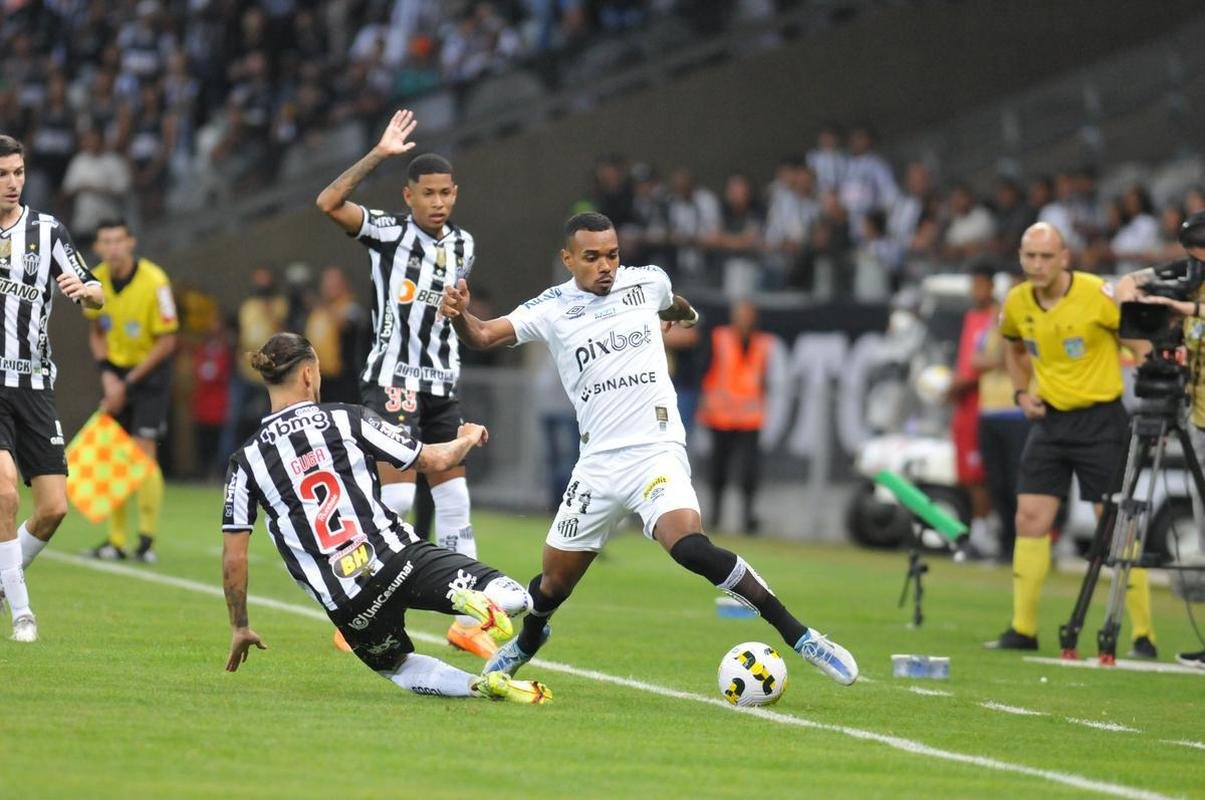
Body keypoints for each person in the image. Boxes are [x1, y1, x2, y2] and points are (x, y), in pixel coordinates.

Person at [440, 211, 858, 686]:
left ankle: (801, 635)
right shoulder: (551, 307)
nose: (605, 266)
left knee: (690, 547)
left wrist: (685, 314)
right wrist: (460, 316)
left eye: (612, 255)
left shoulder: (646, 282)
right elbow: (483, 335)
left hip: (655, 451)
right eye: (592, 257)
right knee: (552, 584)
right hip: (597, 465)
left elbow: (671, 301)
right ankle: (531, 638)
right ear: (568, 258)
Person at [221, 333, 550, 704]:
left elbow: (234, 556)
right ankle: (465, 599)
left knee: (397, 666)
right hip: (396, 559)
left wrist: (240, 626)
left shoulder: (245, 461)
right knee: (516, 598)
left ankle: (476, 687)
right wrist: (468, 437)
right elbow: (435, 460)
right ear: (309, 374)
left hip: (348, 601)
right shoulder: (346, 419)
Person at [316, 110, 492, 657]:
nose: (438, 202)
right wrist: (378, 153)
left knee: (456, 498)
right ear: (408, 196)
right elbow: (327, 203)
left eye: (446, 193)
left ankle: (468, 618)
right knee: (394, 495)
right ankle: (364, 611)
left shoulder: (463, 244)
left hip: (443, 381)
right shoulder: (389, 232)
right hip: (393, 378)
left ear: (455, 194)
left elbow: (455, 309)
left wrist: (461, 310)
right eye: (428, 193)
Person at [987, 222, 1156, 656]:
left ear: (1065, 257)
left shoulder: (1096, 295)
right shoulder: (1018, 300)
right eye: (1030, 256)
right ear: (1021, 258)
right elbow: (1014, 347)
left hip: (1101, 420)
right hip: (1051, 422)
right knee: (1030, 519)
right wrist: (1022, 392)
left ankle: (1142, 634)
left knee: (1115, 526)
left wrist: (1150, 374)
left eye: (1046, 256)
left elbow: (1138, 344)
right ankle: (1022, 628)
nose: (1037, 264)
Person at [0, 135, 105, 643]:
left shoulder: (47, 231)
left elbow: (94, 291)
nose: (13, 182)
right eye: (3, 174)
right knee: (2, 492)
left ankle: (3, 577)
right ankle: (22, 611)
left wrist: (87, 294)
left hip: (36, 383)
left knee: (54, 508)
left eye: (18, 172)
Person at [1114, 209, 1205, 669]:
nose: (1196, 262)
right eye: (1191, 254)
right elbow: (1126, 282)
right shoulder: (1190, 274)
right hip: (1197, 415)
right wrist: (1140, 291)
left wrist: (1183, 307)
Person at [84, 219, 178, 563]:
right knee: (116, 454)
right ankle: (117, 540)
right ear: (97, 247)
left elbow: (168, 341)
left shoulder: (156, 282)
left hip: (149, 373)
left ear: (131, 242)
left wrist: (126, 383)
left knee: (142, 450)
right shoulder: (92, 280)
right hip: (117, 371)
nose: (112, 247)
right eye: (105, 241)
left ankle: (146, 540)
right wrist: (108, 375)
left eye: (118, 240)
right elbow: (96, 332)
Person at [697, 299, 774, 534]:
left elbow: (766, 379)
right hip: (720, 417)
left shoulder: (764, 343)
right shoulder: (720, 338)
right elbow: (706, 369)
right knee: (718, 468)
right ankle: (716, 516)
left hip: (750, 419)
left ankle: (748, 517)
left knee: (749, 471)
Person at [973, 270, 1030, 562]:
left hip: (1017, 413)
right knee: (995, 482)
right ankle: (1006, 540)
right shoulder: (992, 324)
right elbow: (977, 359)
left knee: (1016, 481)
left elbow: (1026, 363)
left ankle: (1022, 544)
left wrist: (1003, 361)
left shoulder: (1030, 323)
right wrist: (1002, 360)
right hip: (989, 411)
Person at [946, 262, 998, 560]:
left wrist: (959, 384)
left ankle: (984, 535)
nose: (976, 290)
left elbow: (984, 362)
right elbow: (966, 361)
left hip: (984, 405)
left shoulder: (996, 318)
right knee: (966, 476)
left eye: (981, 284)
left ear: (991, 286)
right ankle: (978, 532)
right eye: (973, 284)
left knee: (981, 476)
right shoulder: (971, 317)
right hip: (964, 406)